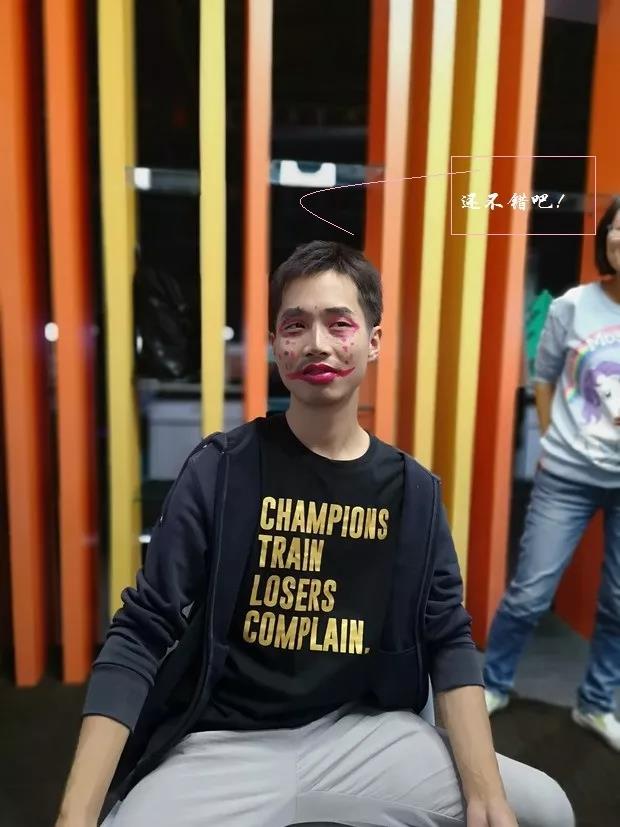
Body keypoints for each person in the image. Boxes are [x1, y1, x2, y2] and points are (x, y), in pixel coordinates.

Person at [57, 241, 574, 826]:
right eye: (295, 325)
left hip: (360, 737)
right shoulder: (221, 470)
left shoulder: (412, 492)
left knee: (544, 810)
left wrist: (485, 793)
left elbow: (448, 639)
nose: (317, 344)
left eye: (339, 323)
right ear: (275, 343)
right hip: (222, 743)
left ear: (373, 340)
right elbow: (141, 631)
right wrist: (77, 814)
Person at [483, 197, 620, 753]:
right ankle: (492, 684)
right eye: (618, 229)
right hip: (567, 473)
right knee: (530, 593)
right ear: (605, 238)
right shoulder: (574, 306)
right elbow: (543, 376)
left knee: (619, 602)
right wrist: (549, 437)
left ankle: (597, 703)